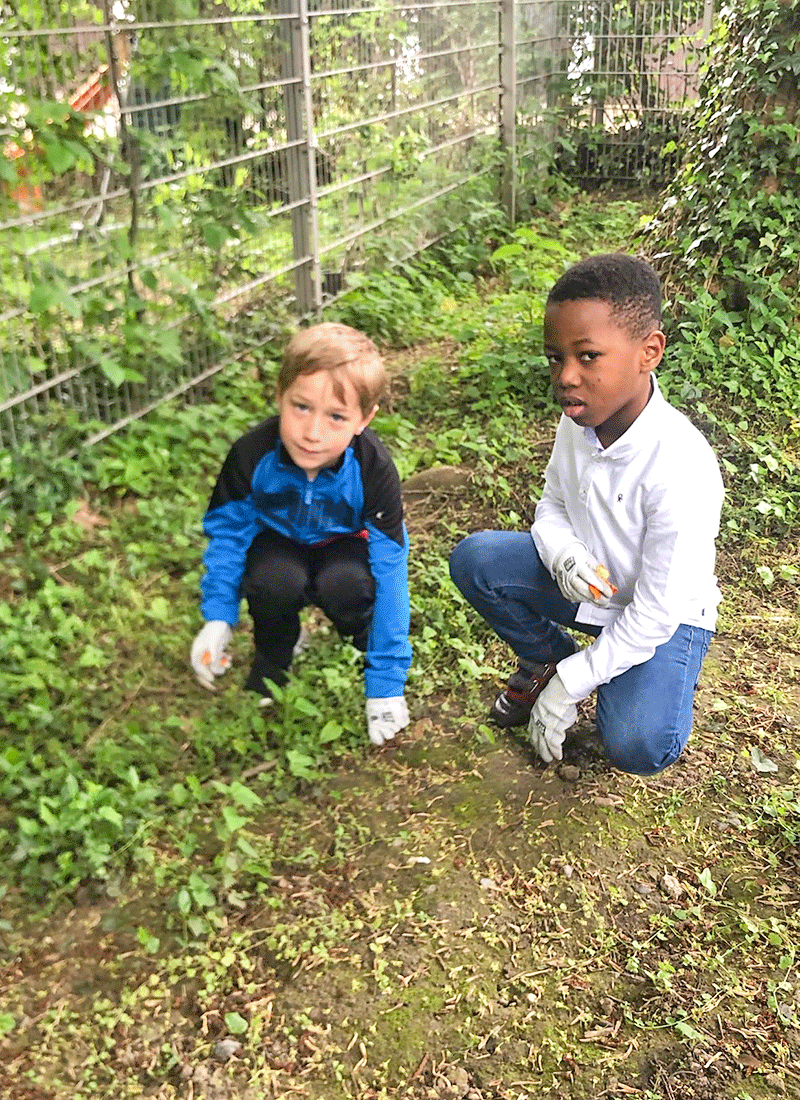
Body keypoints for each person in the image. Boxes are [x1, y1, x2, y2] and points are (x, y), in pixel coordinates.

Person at [449, 253, 724, 776]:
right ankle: (545, 659)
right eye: (555, 358)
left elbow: (655, 613)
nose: (566, 377)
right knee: (477, 561)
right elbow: (551, 504)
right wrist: (564, 552)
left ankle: (592, 673)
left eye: (588, 356)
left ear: (650, 352)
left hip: (664, 618)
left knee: (639, 743)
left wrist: (576, 682)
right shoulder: (576, 420)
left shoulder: (681, 466)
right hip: (592, 589)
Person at [189, 322, 412, 747]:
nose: (312, 432)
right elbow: (230, 535)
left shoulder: (372, 468)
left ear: (364, 419)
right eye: (301, 407)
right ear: (279, 396)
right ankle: (276, 655)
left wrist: (387, 682)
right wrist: (218, 616)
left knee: (347, 585)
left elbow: (391, 569)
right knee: (273, 580)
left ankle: (365, 639)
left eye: (336, 416)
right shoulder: (251, 454)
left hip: (343, 548)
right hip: (279, 543)